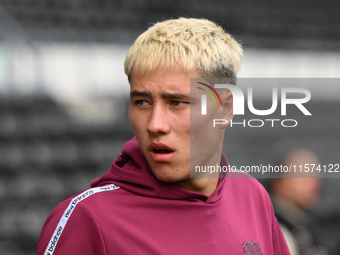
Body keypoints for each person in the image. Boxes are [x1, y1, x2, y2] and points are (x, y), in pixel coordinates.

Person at [36, 17, 290, 254]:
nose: (155, 124)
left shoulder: (253, 196)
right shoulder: (87, 218)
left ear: (225, 109)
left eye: (177, 102)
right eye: (143, 102)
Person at [270, 149, 327, 255]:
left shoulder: (302, 224)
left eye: (315, 179)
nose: (314, 186)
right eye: (304, 178)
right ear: (280, 182)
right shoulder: (276, 229)